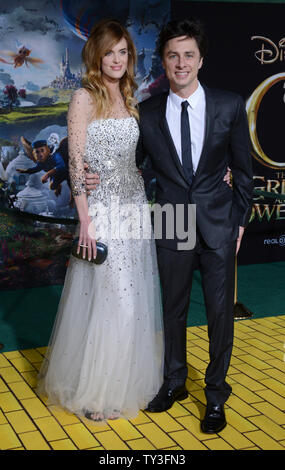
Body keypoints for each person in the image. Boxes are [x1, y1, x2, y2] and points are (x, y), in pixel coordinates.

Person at [86, 17, 253, 434]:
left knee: (219, 314)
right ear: (163, 61)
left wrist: (240, 221)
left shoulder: (229, 105)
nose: (181, 63)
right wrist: (93, 175)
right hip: (172, 219)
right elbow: (130, 163)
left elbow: (244, 172)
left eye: (189, 55)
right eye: (173, 55)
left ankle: (215, 395)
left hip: (218, 222)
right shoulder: (149, 111)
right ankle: (174, 381)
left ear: (201, 59)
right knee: (173, 311)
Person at [37, 19, 164, 422]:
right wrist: (86, 222)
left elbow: (135, 157)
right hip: (103, 211)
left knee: (135, 301)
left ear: (130, 57)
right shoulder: (82, 98)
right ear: (96, 55)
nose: (116, 59)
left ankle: (123, 382)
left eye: (123, 52)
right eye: (109, 52)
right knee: (114, 300)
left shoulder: (131, 96)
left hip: (133, 208)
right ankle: (96, 391)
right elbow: (75, 165)